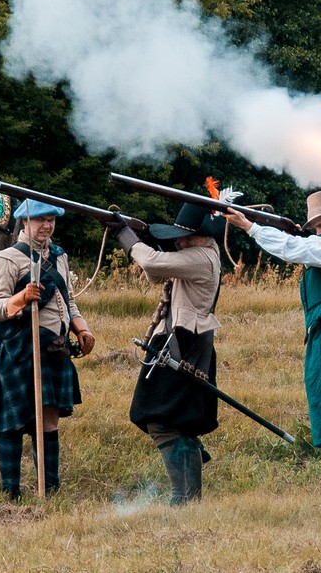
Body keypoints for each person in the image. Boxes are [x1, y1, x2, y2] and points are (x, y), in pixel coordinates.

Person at [225, 190, 321, 492]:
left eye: (320, 227)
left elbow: (293, 249)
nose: (317, 233)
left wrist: (250, 227)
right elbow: (302, 245)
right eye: (314, 228)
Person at [110, 202, 223, 505]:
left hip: (181, 343)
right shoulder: (198, 254)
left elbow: (152, 265)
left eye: (184, 237)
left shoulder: (201, 257)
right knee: (179, 424)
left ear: (203, 236)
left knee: (159, 421)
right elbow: (156, 275)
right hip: (186, 341)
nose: (179, 242)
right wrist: (146, 240)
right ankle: (189, 500)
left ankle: (181, 497)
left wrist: (126, 236)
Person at [0, 199, 96, 500]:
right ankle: (11, 491)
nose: (46, 225)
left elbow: (68, 301)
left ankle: (50, 488)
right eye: (40, 220)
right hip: (21, 348)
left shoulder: (59, 257)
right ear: (24, 222)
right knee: (14, 420)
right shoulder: (8, 259)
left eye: (51, 220)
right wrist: (21, 298)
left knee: (48, 420)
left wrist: (82, 328)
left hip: (54, 349)